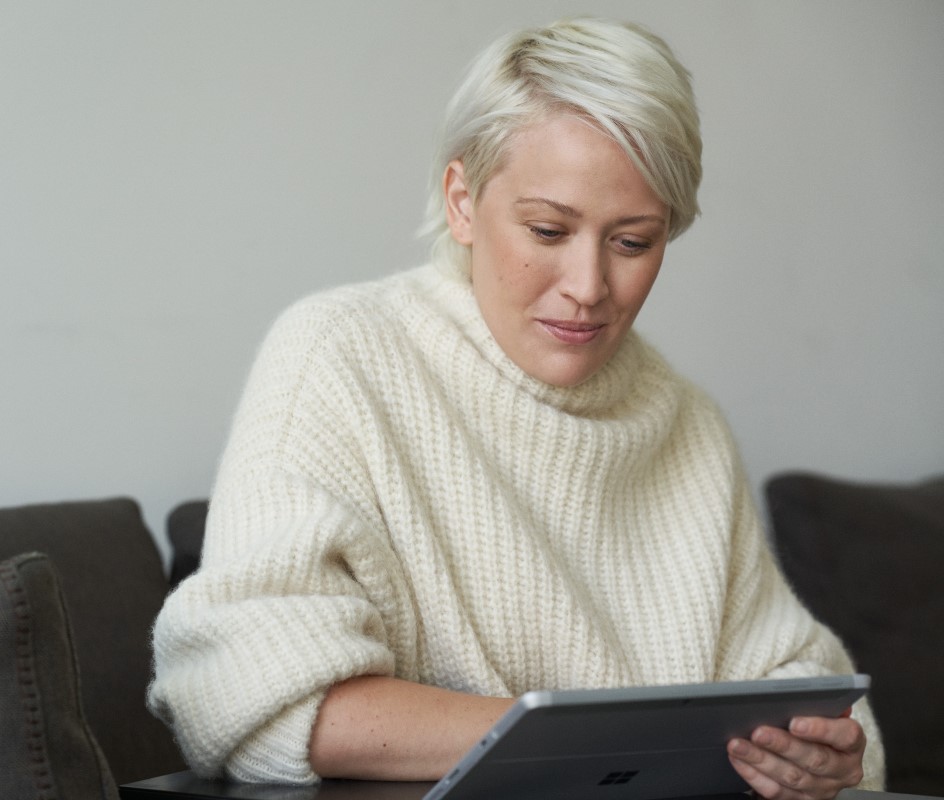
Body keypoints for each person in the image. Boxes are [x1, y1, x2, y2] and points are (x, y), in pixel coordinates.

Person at [148, 17, 884, 798]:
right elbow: (244, 692)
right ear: (462, 202)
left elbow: (811, 692)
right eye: (547, 229)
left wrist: (825, 758)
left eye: (633, 242)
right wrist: (590, 744)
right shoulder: (338, 355)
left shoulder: (686, 423)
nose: (589, 286)